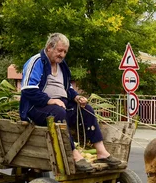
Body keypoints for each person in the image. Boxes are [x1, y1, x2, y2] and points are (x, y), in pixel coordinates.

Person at [19, 33, 121, 172]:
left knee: (87, 109)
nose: (62, 55)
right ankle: (74, 155)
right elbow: (28, 90)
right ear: (49, 47)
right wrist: (50, 100)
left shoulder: (62, 66)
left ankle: (101, 152)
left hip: (61, 103)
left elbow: (67, 88)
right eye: (59, 50)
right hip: (36, 107)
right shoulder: (37, 62)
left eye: (65, 52)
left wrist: (77, 97)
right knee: (59, 112)